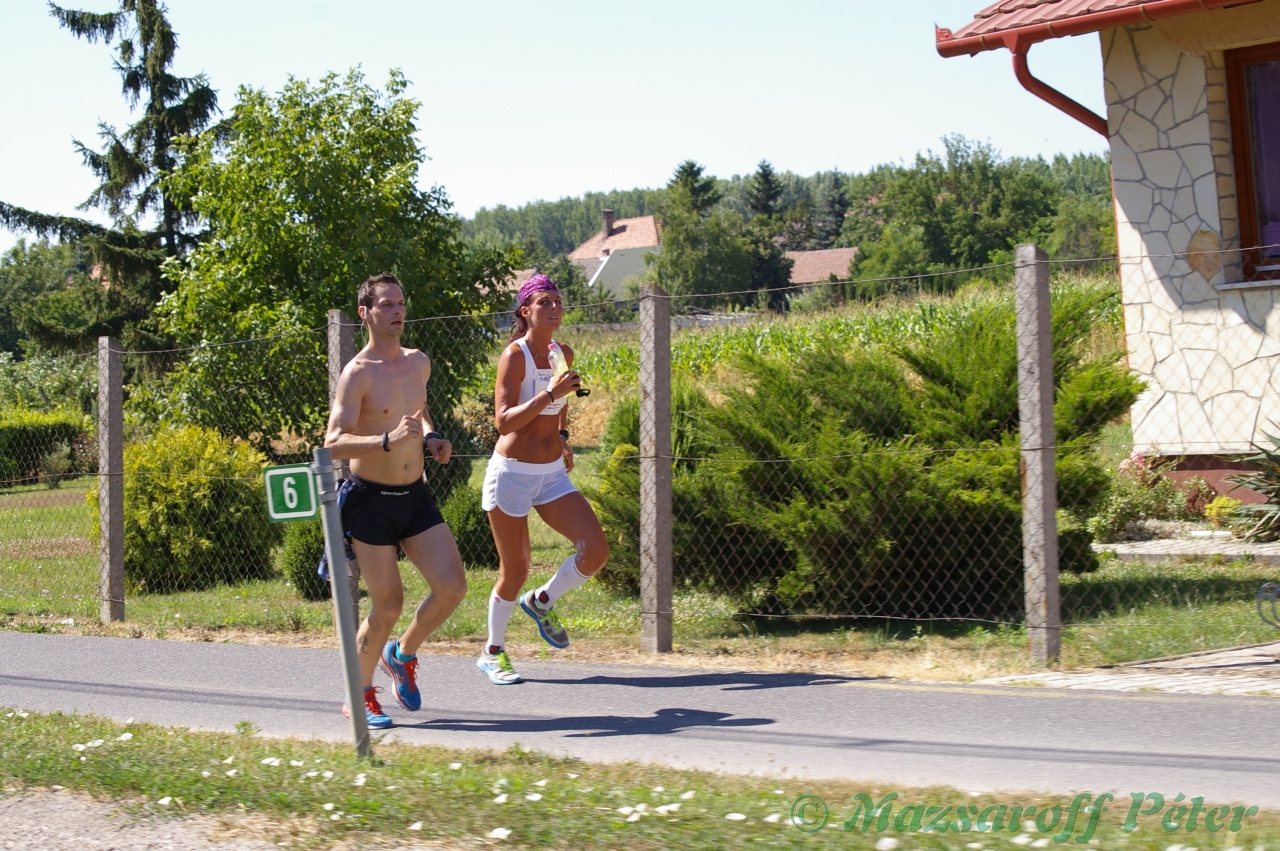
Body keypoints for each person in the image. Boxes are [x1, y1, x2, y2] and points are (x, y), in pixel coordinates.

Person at [324, 273, 467, 728]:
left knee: (452, 587)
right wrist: (385, 441)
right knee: (387, 606)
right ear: (365, 314)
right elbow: (333, 442)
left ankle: (401, 654)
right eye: (386, 304)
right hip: (369, 501)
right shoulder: (357, 374)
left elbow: (418, 412)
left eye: (401, 303)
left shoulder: (418, 362)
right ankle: (359, 694)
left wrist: (432, 437)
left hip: (414, 495)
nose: (397, 311)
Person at [477, 273, 610, 684]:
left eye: (558, 301)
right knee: (515, 570)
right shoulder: (514, 356)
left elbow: (563, 400)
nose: (554, 308)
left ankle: (542, 600)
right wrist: (549, 395)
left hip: (551, 474)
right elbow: (503, 422)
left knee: (596, 551)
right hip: (512, 474)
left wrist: (563, 436)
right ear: (526, 311)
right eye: (544, 302)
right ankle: (492, 653)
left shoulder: (561, 351)